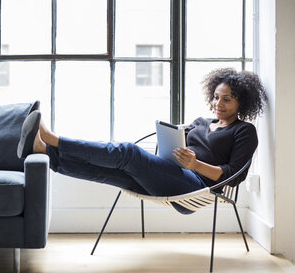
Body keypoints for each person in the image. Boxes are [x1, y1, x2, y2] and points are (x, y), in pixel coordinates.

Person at [17, 68, 267, 214]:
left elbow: (234, 175)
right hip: (167, 175)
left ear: (241, 102)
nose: (218, 104)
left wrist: (195, 166)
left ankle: (52, 139)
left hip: (195, 189)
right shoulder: (201, 121)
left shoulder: (244, 131)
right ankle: (46, 151)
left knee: (128, 153)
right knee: (110, 172)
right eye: (216, 97)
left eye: (227, 99)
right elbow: (176, 140)